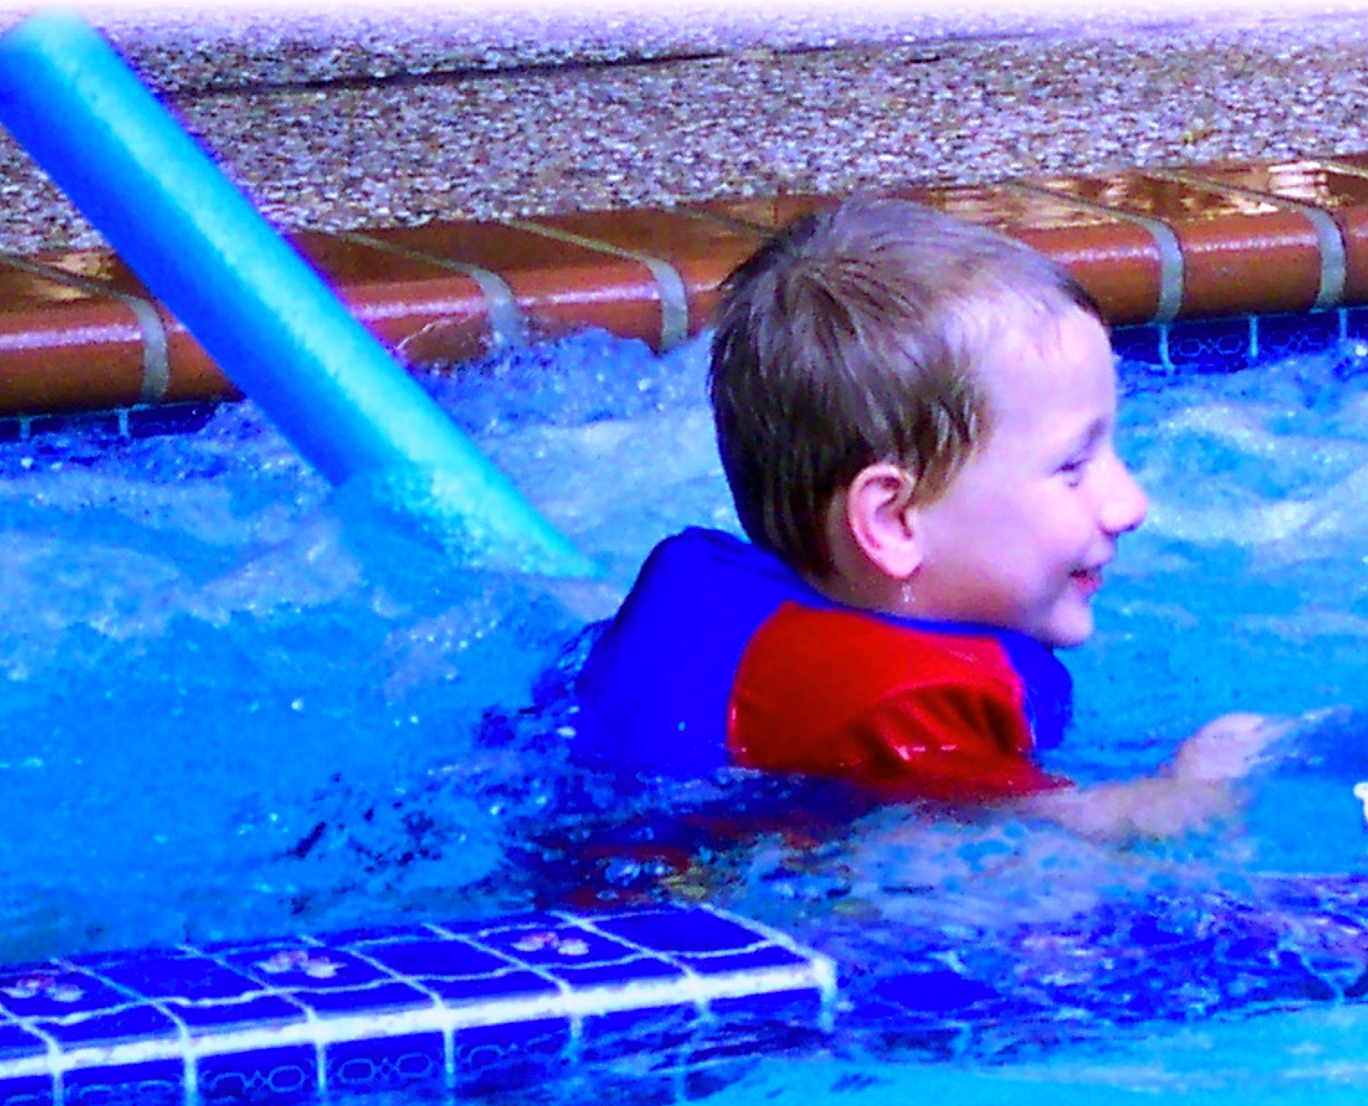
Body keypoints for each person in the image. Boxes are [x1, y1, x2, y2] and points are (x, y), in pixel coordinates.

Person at [543, 197, 1285, 840]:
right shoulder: (908, 713)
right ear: (895, 520)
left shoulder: (714, 583)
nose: (1130, 503)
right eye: (1072, 466)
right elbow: (1065, 844)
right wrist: (1196, 781)